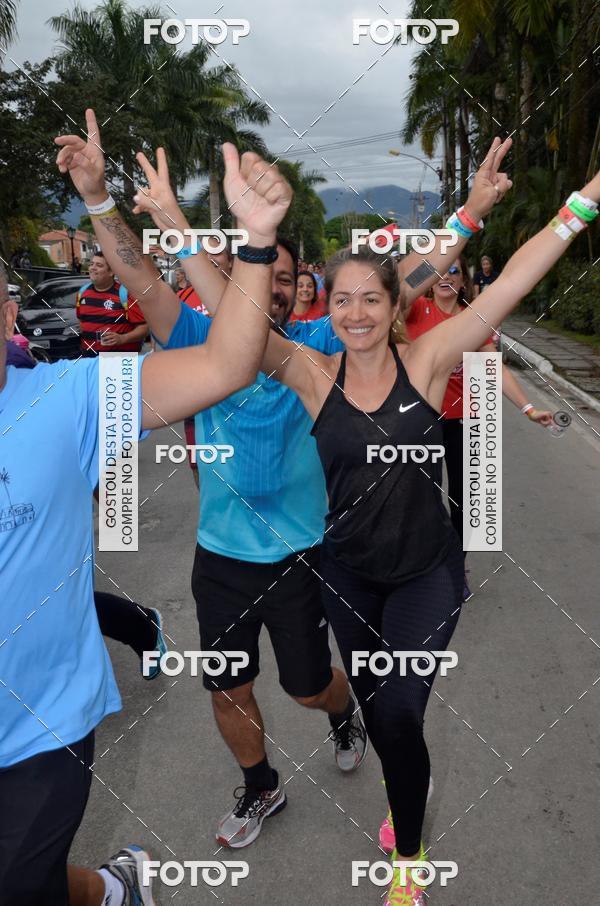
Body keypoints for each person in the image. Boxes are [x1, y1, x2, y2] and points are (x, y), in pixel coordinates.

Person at [120, 135, 512, 854]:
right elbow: (172, 284)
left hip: (309, 552)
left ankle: (350, 722)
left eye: (284, 278)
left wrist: (472, 213)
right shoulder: (210, 330)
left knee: (313, 687)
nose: (270, 289)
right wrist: (152, 212)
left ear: (300, 288)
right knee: (227, 684)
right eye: (259, 273)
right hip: (223, 556)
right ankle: (262, 784)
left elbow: (407, 280)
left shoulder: (323, 345)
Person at [257, 149, 600, 904]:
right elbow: (237, 321)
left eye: (370, 300)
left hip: (427, 575)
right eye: (341, 301)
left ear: (395, 304)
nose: (355, 314)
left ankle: (408, 858)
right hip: (348, 576)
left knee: (401, 709)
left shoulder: (429, 359)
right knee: (385, 719)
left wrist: (584, 201)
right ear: (329, 309)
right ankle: (405, 781)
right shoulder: (312, 374)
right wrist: (189, 226)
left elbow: (513, 282)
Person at [0, 107, 292, 906]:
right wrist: (100, 198)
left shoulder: (66, 397)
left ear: (8, 315)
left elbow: (229, 357)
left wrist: (255, 241)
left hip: (39, 727)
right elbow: (151, 291)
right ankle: (115, 888)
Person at [405, 255, 552, 599]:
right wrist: (434, 262)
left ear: (463, 280)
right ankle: (422, 570)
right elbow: (399, 288)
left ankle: (456, 569)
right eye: (440, 272)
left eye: (454, 271)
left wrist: (529, 408)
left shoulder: (473, 319)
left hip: (464, 419)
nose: (446, 277)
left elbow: (493, 367)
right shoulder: (414, 311)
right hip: (420, 419)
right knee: (419, 499)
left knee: (465, 501)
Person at [75, 250, 149, 355]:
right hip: (89, 358)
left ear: (111, 272)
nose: (93, 268)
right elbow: (81, 321)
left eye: (99, 265)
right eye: (91, 264)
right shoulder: (82, 292)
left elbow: (144, 328)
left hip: (120, 359)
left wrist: (122, 339)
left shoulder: (126, 294)